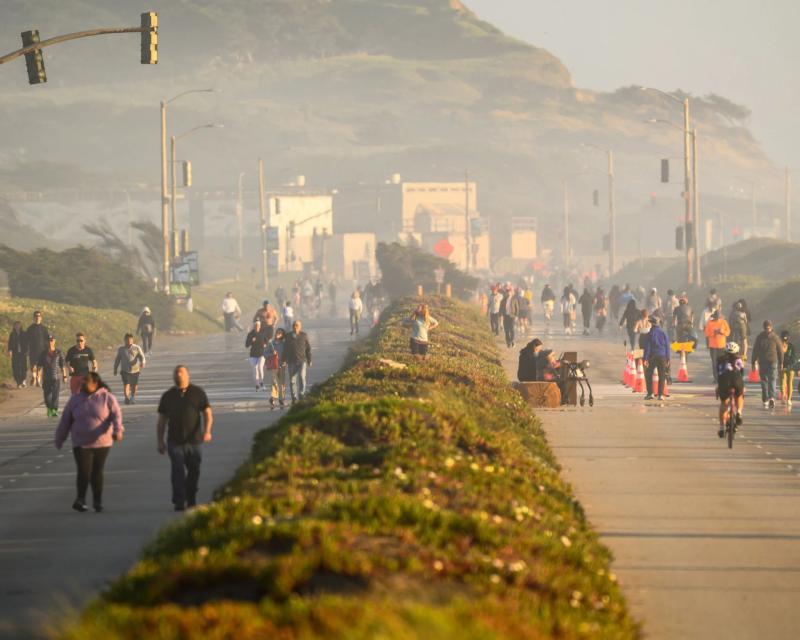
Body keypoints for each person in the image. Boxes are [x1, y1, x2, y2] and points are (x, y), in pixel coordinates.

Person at [55, 372, 123, 513]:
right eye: (83, 381)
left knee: (97, 472)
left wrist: (117, 431)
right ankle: (80, 499)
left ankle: (97, 501)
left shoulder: (107, 398)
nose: (84, 383)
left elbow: (116, 415)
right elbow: (65, 420)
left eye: (87, 381)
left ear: (95, 383)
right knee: (83, 471)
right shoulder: (75, 399)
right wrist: (59, 438)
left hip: (102, 442)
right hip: (81, 443)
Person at [157, 365, 213, 511]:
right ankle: (179, 500)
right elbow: (162, 420)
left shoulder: (197, 393)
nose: (178, 375)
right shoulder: (168, 396)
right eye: (176, 373)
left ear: (188, 375)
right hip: (174, 441)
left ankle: (191, 497)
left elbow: (207, 413)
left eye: (181, 372)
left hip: (194, 441)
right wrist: (159, 441)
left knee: (194, 471)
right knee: (178, 470)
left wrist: (207, 431)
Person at [752, 320, 783, 409]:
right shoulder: (775, 337)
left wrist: (753, 362)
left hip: (766, 361)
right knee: (770, 380)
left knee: (765, 380)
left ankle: (766, 399)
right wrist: (781, 362)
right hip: (771, 361)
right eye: (767, 328)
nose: (767, 330)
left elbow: (755, 350)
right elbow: (780, 351)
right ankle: (771, 398)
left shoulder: (760, 337)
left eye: (768, 328)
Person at [716, 342, 745, 438]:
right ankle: (739, 413)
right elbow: (742, 373)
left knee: (724, 403)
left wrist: (718, 386)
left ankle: (721, 428)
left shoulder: (720, 360)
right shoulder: (739, 360)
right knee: (739, 395)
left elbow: (718, 374)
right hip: (737, 380)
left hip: (724, 381)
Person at [282, 320, 312, 402]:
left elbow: (308, 349)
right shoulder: (288, 336)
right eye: (294, 325)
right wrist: (284, 360)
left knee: (302, 377)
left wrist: (309, 360)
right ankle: (294, 397)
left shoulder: (304, 335)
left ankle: (301, 394)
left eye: (297, 325)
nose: (295, 327)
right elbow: (285, 349)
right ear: (292, 327)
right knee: (292, 380)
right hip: (291, 361)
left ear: (300, 326)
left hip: (302, 360)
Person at [37, 335, 67, 417]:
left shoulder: (58, 352)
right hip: (46, 378)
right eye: (49, 341)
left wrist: (64, 376)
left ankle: (54, 410)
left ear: (54, 341)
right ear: (46, 342)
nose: (50, 342)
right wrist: (38, 378)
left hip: (56, 377)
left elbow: (62, 365)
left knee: (55, 395)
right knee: (47, 396)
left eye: (52, 340)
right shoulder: (43, 353)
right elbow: (39, 367)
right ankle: (49, 409)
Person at [113, 333, 146, 405]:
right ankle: (127, 398)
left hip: (135, 370)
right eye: (127, 340)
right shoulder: (121, 349)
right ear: (124, 340)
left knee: (134, 386)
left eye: (130, 339)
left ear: (132, 340)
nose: (129, 341)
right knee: (126, 384)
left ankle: (133, 397)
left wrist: (142, 362)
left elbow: (142, 356)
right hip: (125, 370)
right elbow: (117, 360)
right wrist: (115, 368)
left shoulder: (137, 348)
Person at [643, 316, 670, 400]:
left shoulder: (650, 333)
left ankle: (650, 393)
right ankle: (660, 395)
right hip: (662, 357)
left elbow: (648, 347)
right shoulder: (663, 333)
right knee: (662, 376)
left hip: (653, 357)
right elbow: (667, 347)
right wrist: (668, 358)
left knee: (648, 375)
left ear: (652, 324)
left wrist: (646, 358)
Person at [703, 310, 731, 384]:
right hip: (713, 346)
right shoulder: (710, 323)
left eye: (719, 317)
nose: (718, 318)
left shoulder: (724, 322)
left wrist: (722, 332)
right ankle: (716, 378)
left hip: (722, 346)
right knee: (714, 363)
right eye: (716, 317)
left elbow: (728, 332)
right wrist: (714, 333)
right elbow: (706, 333)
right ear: (714, 316)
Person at [26, 310, 49, 387]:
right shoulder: (30, 328)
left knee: (40, 367)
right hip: (32, 350)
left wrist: (48, 350)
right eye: (36, 316)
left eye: (39, 316)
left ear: (41, 318)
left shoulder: (44, 328)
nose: (37, 317)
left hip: (42, 351)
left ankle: (38, 379)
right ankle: (33, 376)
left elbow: (47, 340)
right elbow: (27, 340)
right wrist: (27, 350)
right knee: (33, 366)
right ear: (33, 317)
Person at [265, 328, 287, 409]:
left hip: (282, 365)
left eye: (280, 333)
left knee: (282, 383)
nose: (278, 334)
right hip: (274, 365)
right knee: (274, 381)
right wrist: (271, 354)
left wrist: (286, 361)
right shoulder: (271, 343)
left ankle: (281, 399)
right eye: (277, 332)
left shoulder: (284, 344)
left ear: (282, 335)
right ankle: (273, 398)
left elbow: (287, 353)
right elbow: (265, 353)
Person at [245, 319, 269, 391]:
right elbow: (246, 345)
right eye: (255, 325)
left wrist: (265, 344)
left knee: (260, 367)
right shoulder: (250, 334)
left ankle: (262, 382)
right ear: (254, 326)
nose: (257, 327)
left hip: (261, 353)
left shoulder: (263, 332)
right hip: (253, 354)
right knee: (255, 369)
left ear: (260, 326)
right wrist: (251, 341)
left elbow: (267, 341)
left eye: (258, 325)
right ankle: (257, 385)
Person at [7, 321, 28, 388]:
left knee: (23, 367)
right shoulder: (12, 334)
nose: (17, 327)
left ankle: (23, 380)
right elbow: (10, 343)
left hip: (23, 353)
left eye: (18, 325)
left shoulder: (24, 333)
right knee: (15, 367)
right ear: (14, 326)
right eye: (16, 325)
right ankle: (18, 382)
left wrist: (27, 351)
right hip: (15, 353)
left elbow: (27, 343)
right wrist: (10, 350)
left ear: (20, 326)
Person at [780, 330, 797, 406]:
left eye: (786, 339)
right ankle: (783, 396)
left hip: (791, 367)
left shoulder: (791, 346)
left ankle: (789, 399)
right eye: (783, 339)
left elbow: (794, 358)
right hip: (782, 367)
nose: (784, 341)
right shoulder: (779, 346)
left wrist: (790, 366)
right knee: (782, 381)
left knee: (789, 382)